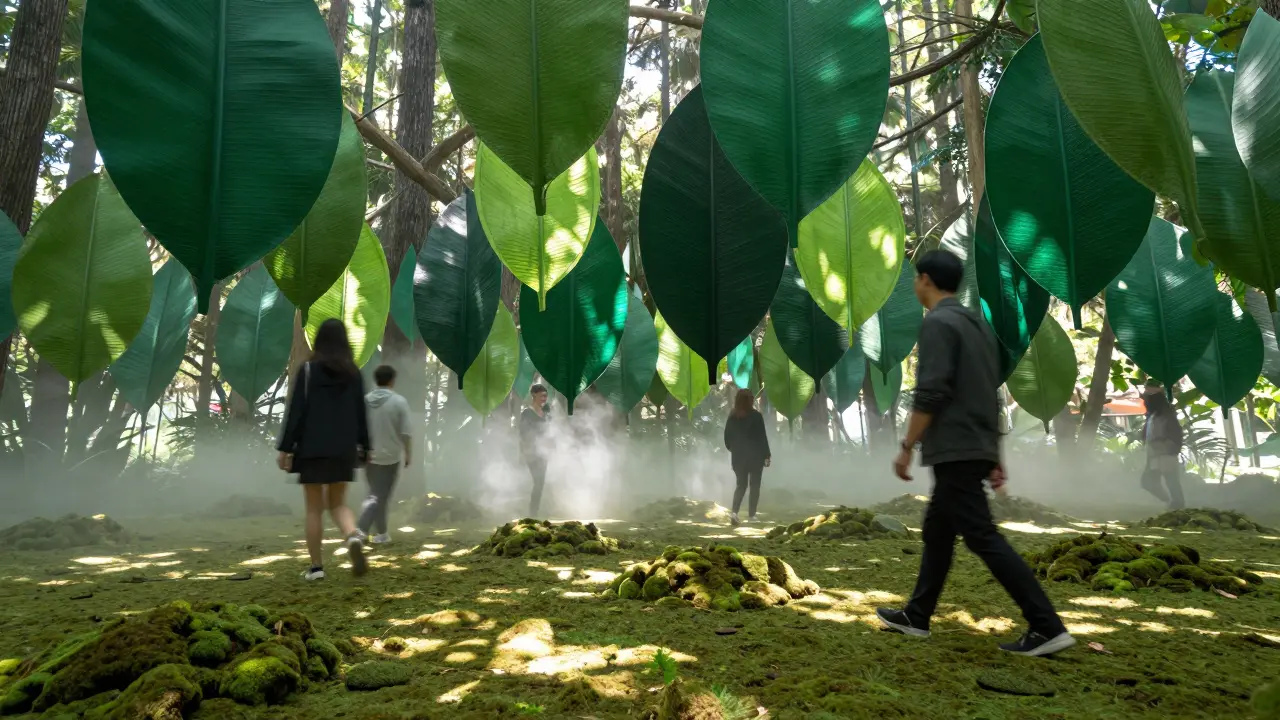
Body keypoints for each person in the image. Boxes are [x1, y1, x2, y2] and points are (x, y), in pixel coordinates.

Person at [877, 250, 1074, 658]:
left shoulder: (939, 325)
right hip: (975, 444)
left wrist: (906, 446)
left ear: (926, 280)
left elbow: (932, 391)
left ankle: (1046, 626)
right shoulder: (977, 327)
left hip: (954, 447)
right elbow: (989, 394)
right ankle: (917, 615)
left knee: (982, 536)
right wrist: (994, 453)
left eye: (916, 279)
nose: (915, 286)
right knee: (938, 531)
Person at [277, 319, 370, 581]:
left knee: (314, 509)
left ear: (318, 342)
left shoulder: (307, 370)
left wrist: (285, 448)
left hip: (312, 448)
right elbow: (361, 414)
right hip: (343, 448)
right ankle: (352, 536)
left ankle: (316, 568)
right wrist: (366, 446)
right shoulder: (354, 373)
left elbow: (296, 413)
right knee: (338, 503)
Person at [357, 365, 412, 544]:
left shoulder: (364, 401)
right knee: (380, 496)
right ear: (392, 380)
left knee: (375, 493)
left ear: (376, 380)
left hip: (368, 456)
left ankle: (381, 533)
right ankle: (362, 529)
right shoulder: (399, 402)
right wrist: (408, 453)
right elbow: (405, 432)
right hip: (391, 457)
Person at [723, 389, 771, 525]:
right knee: (754, 486)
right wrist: (766, 455)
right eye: (751, 398)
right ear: (747, 400)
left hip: (738, 458)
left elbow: (727, 438)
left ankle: (734, 513)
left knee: (741, 485)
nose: (752, 400)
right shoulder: (756, 416)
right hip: (756, 457)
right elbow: (762, 437)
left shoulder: (733, 416)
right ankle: (752, 515)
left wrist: (734, 450)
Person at [1140, 379, 1185, 510]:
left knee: (1172, 482)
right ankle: (1170, 502)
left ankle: (1177, 505)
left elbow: (1176, 435)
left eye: (1147, 399)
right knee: (1148, 482)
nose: (1145, 401)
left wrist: (1169, 448)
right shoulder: (1152, 416)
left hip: (1166, 454)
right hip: (1155, 454)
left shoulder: (1167, 415)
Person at [520, 384, 551, 517]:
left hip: (544, 452)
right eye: (542, 396)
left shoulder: (547, 412)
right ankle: (532, 513)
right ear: (534, 395)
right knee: (538, 482)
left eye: (546, 396)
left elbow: (550, 430)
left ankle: (534, 512)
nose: (544, 398)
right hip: (532, 452)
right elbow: (524, 433)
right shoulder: (527, 413)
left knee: (540, 483)